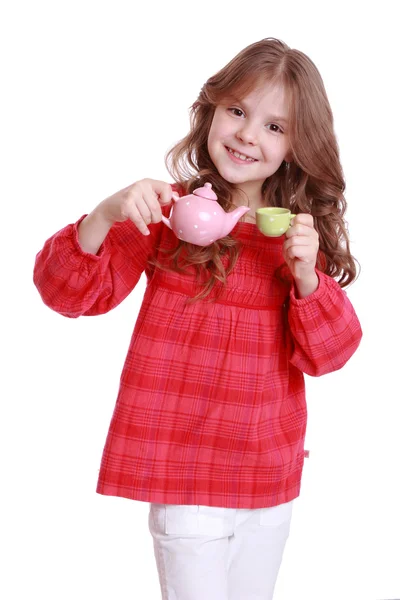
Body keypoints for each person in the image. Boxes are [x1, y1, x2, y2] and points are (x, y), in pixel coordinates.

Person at [33, 37, 362, 600]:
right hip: (186, 475)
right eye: (237, 110)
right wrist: (107, 212)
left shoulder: (297, 235)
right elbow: (66, 294)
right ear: (211, 109)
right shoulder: (169, 214)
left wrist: (308, 277)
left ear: (297, 144)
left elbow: (329, 354)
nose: (248, 134)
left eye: (274, 127)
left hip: (269, 475)